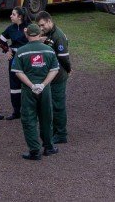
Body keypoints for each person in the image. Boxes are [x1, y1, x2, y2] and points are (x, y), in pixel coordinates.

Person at [11, 23, 60, 160]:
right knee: (46, 118)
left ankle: (34, 151)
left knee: (28, 119)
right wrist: (43, 85)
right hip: (45, 90)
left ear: (27, 35)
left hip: (28, 90)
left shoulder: (21, 51)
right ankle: (49, 147)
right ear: (39, 35)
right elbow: (54, 70)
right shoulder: (49, 50)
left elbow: (18, 72)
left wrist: (32, 85)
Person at [36, 10, 71, 144]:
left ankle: (61, 134)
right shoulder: (49, 34)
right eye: (39, 26)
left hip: (58, 76)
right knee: (52, 104)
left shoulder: (58, 36)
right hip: (51, 76)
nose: (41, 28)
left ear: (49, 21)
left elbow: (64, 58)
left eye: (42, 25)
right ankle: (55, 130)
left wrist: (68, 70)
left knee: (58, 105)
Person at [0, 7, 29, 120]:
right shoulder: (10, 29)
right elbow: (1, 40)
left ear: (20, 17)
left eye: (13, 14)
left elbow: (37, 40)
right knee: (14, 85)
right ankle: (16, 112)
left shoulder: (29, 27)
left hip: (27, 60)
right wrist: (7, 50)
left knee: (28, 84)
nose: (11, 16)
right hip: (14, 59)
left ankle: (29, 111)